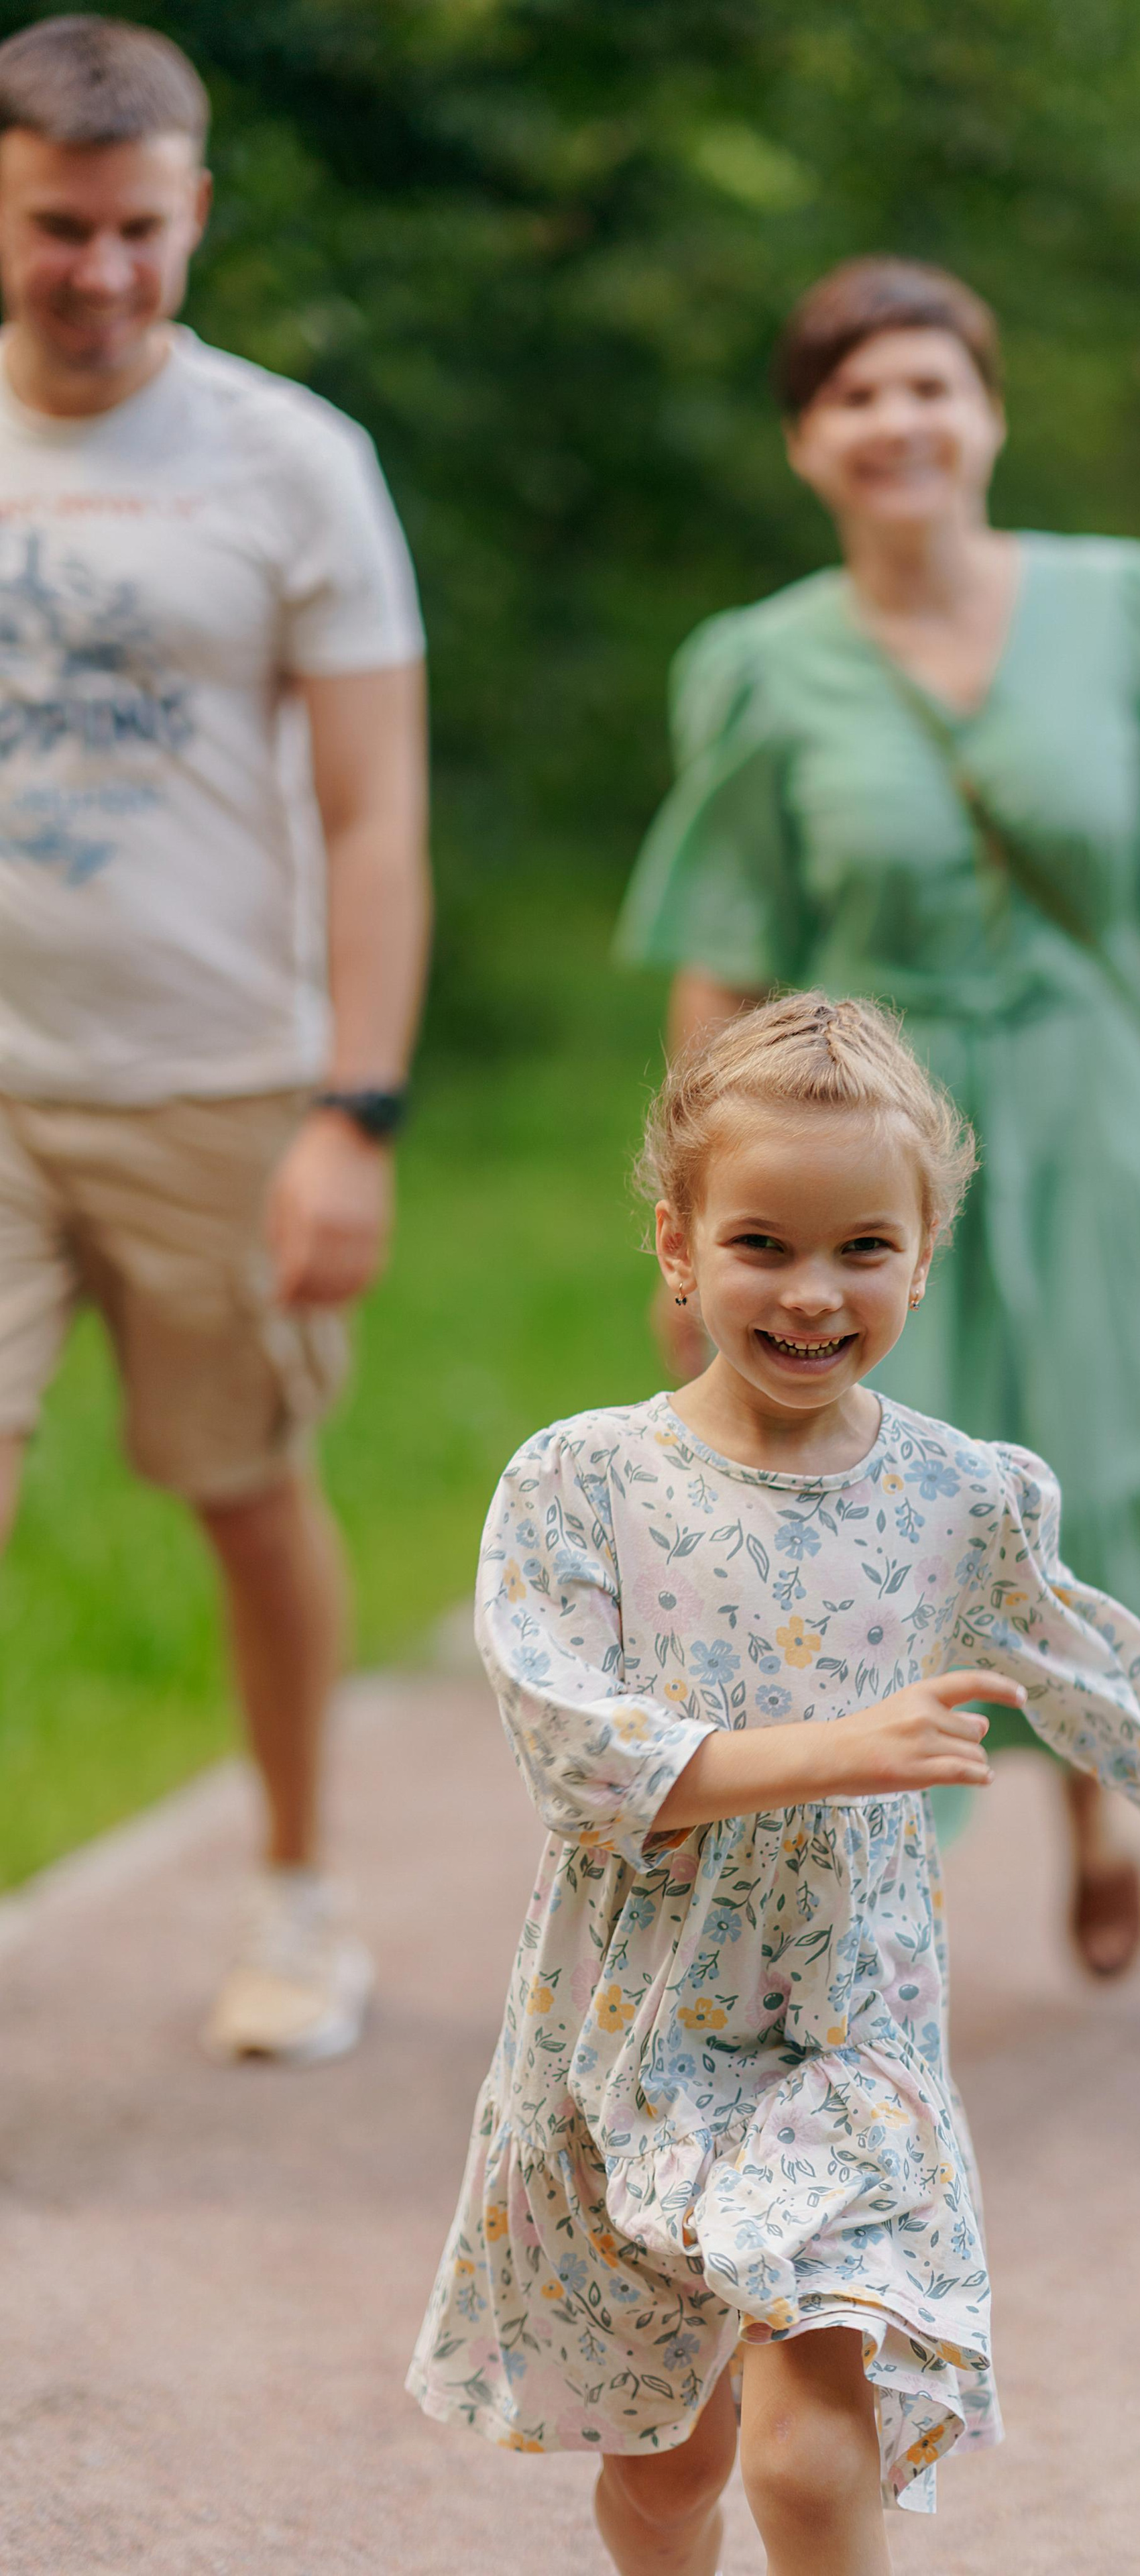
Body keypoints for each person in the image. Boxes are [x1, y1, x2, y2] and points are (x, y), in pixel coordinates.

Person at [408, 991, 1140, 2566]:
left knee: (816, 2466)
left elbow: (1084, 1662)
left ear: (921, 1252)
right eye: (762, 1244)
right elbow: (577, 1751)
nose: (811, 1294)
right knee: (674, 2468)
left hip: (846, 2030)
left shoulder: (962, 1496)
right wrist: (839, 1751)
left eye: (860, 1250)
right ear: (677, 1248)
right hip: (632, 2035)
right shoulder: (583, 1485)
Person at [618, 256, 1140, 1980]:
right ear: (806, 445)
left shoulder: (1117, 603)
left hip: (1088, 1096)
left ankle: (1110, 1803)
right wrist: (692, 1208)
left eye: (928, 385)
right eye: (853, 396)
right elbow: (719, 954)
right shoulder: (756, 664)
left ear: (985, 410)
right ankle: (868, 1881)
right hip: (856, 1139)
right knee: (878, 1476)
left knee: (1096, 1458)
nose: (897, 421)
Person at [0, 18, 429, 2062]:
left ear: (193, 218)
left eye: (137, 230)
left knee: (245, 1494)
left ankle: (298, 1896)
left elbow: (375, 814)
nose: (97, 270)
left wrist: (353, 1110)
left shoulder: (289, 462)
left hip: (216, 1086)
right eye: (56, 226)